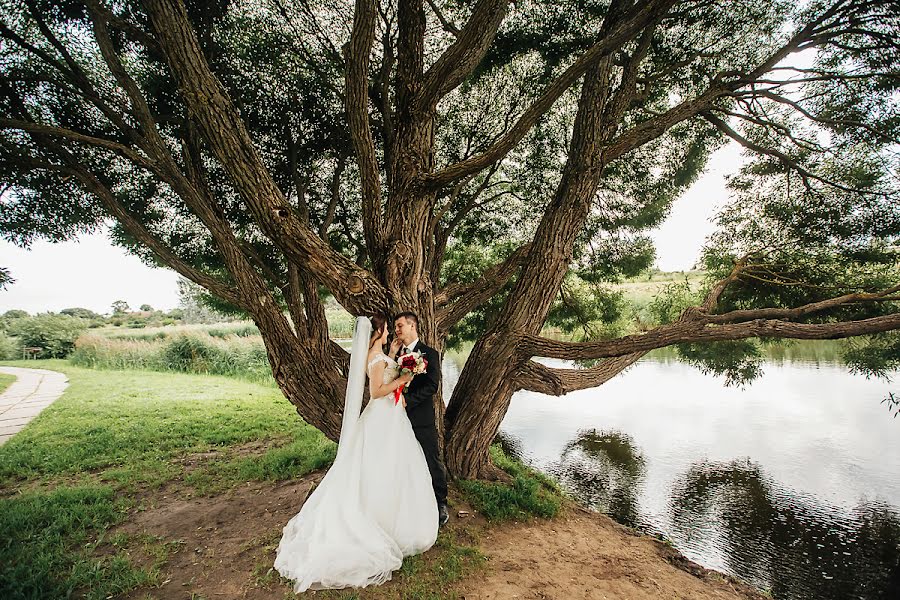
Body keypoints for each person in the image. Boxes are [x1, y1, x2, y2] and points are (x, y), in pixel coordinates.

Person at [274, 315, 438, 592]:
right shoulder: (375, 357)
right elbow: (376, 391)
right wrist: (405, 378)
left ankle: (393, 519)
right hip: (382, 417)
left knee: (391, 469)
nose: (392, 332)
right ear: (380, 331)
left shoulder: (379, 353)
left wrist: (397, 357)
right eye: (388, 329)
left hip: (391, 418)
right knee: (380, 468)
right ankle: (380, 521)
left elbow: (386, 368)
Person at [391, 311, 450, 527]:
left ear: (412, 326)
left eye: (400, 326)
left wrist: (409, 400)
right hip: (396, 418)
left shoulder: (429, 353)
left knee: (431, 459)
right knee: (401, 460)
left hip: (420, 417)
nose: (397, 330)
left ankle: (441, 503)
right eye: (395, 327)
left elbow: (432, 386)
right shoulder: (396, 354)